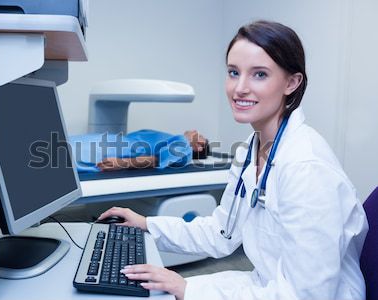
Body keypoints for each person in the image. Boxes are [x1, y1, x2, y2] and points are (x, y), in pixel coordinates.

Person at [97, 20, 368, 300]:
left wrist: (189, 288)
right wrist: (147, 224)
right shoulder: (250, 150)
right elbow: (221, 232)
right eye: (233, 72)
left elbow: (309, 295)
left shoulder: (306, 169)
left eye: (259, 74)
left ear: (291, 82)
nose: (239, 88)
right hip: (267, 285)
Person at [69, 129, 208, 172]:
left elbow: (157, 159)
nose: (195, 131)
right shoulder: (177, 140)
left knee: (67, 154)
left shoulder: (186, 149)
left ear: (200, 145)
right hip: (113, 140)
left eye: (199, 135)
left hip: (117, 149)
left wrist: (123, 163)